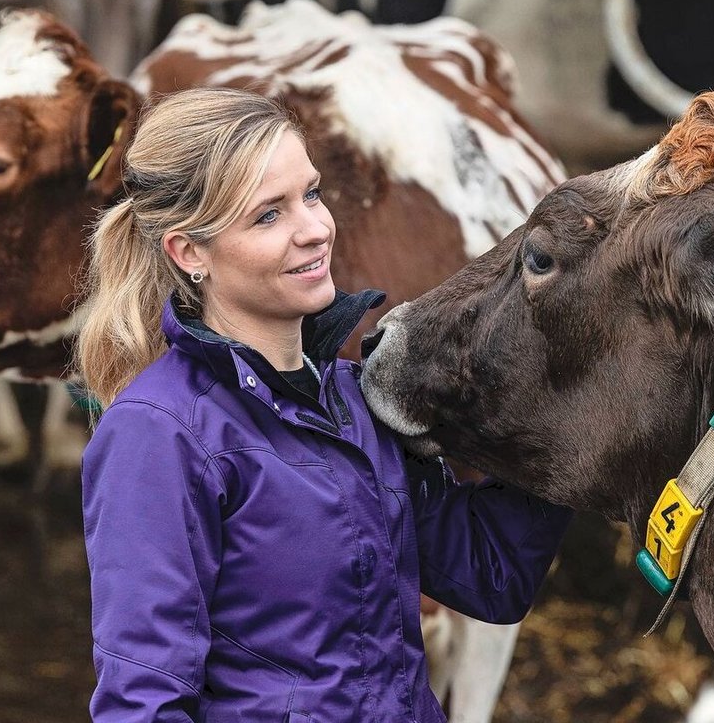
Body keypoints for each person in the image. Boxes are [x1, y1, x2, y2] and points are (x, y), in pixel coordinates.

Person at [76, 87, 572, 722]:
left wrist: (567, 402)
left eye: (310, 194)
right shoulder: (161, 434)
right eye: (268, 215)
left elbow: (490, 574)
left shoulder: (357, 400)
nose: (314, 229)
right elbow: (144, 703)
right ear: (189, 251)